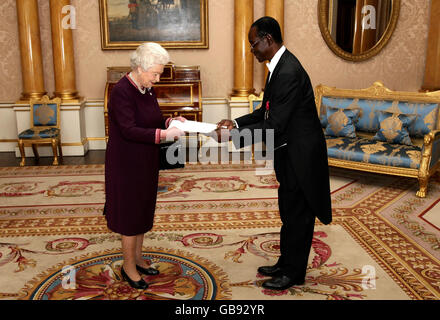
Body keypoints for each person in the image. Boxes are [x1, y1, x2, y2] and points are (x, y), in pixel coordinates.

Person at [217, 16, 332, 291]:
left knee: (299, 215)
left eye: (253, 43)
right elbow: (263, 112)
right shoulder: (276, 68)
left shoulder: (289, 71)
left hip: (301, 157)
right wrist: (234, 123)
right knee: (289, 212)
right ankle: (285, 262)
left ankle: (293, 273)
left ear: (268, 40)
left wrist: (233, 137)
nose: (252, 50)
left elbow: (275, 124)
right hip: (287, 151)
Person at [104, 42, 185, 290]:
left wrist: (172, 121)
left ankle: (138, 258)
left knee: (142, 210)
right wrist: (164, 135)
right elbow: (129, 129)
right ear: (140, 68)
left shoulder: (145, 88)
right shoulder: (121, 91)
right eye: (155, 74)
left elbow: (153, 119)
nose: (158, 79)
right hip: (126, 164)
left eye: (159, 73)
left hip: (145, 162)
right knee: (129, 216)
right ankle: (128, 266)